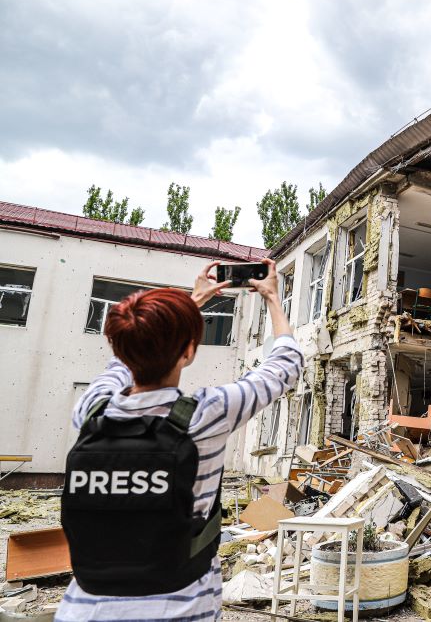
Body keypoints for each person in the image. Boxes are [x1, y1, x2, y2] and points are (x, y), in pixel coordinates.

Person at [56, 258, 302, 622]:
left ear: (119, 347)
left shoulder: (92, 412)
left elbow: (121, 365)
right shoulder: (206, 416)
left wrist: (191, 302)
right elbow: (285, 365)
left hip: (83, 610)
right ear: (187, 352)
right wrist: (272, 298)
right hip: (182, 608)